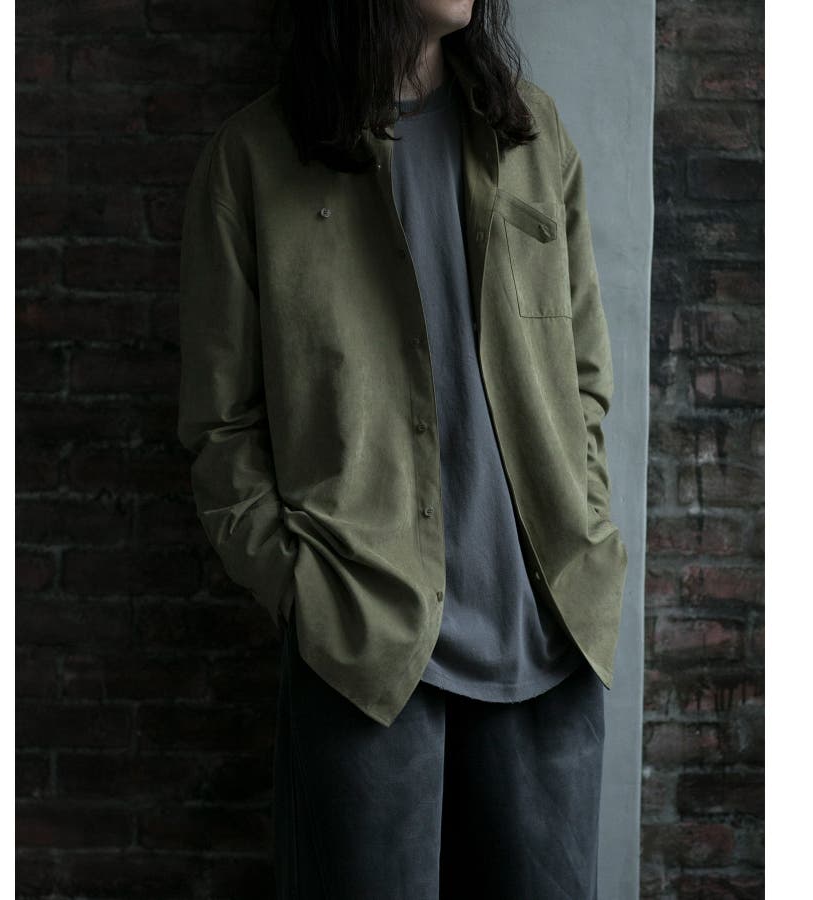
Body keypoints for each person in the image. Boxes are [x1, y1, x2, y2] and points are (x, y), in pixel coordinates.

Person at [177, 0, 629, 896]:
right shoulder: (255, 158)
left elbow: (584, 375)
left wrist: (583, 514)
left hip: (545, 635)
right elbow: (220, 426)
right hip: (365, 650)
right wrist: (302, 589)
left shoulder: (532, 136)